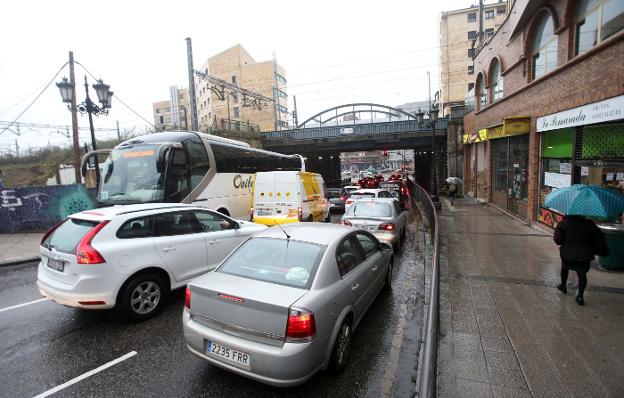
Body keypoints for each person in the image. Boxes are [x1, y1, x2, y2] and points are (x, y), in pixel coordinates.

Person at [553, 215, 608, 306]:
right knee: (582, 274)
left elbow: (557, 240)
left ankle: (563, 286)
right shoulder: (589, 224)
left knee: (565, 268)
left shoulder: (563, 224)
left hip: (568, 253)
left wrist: (565, 243)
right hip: (584, 254)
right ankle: (580, 296)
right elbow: (598, 237)